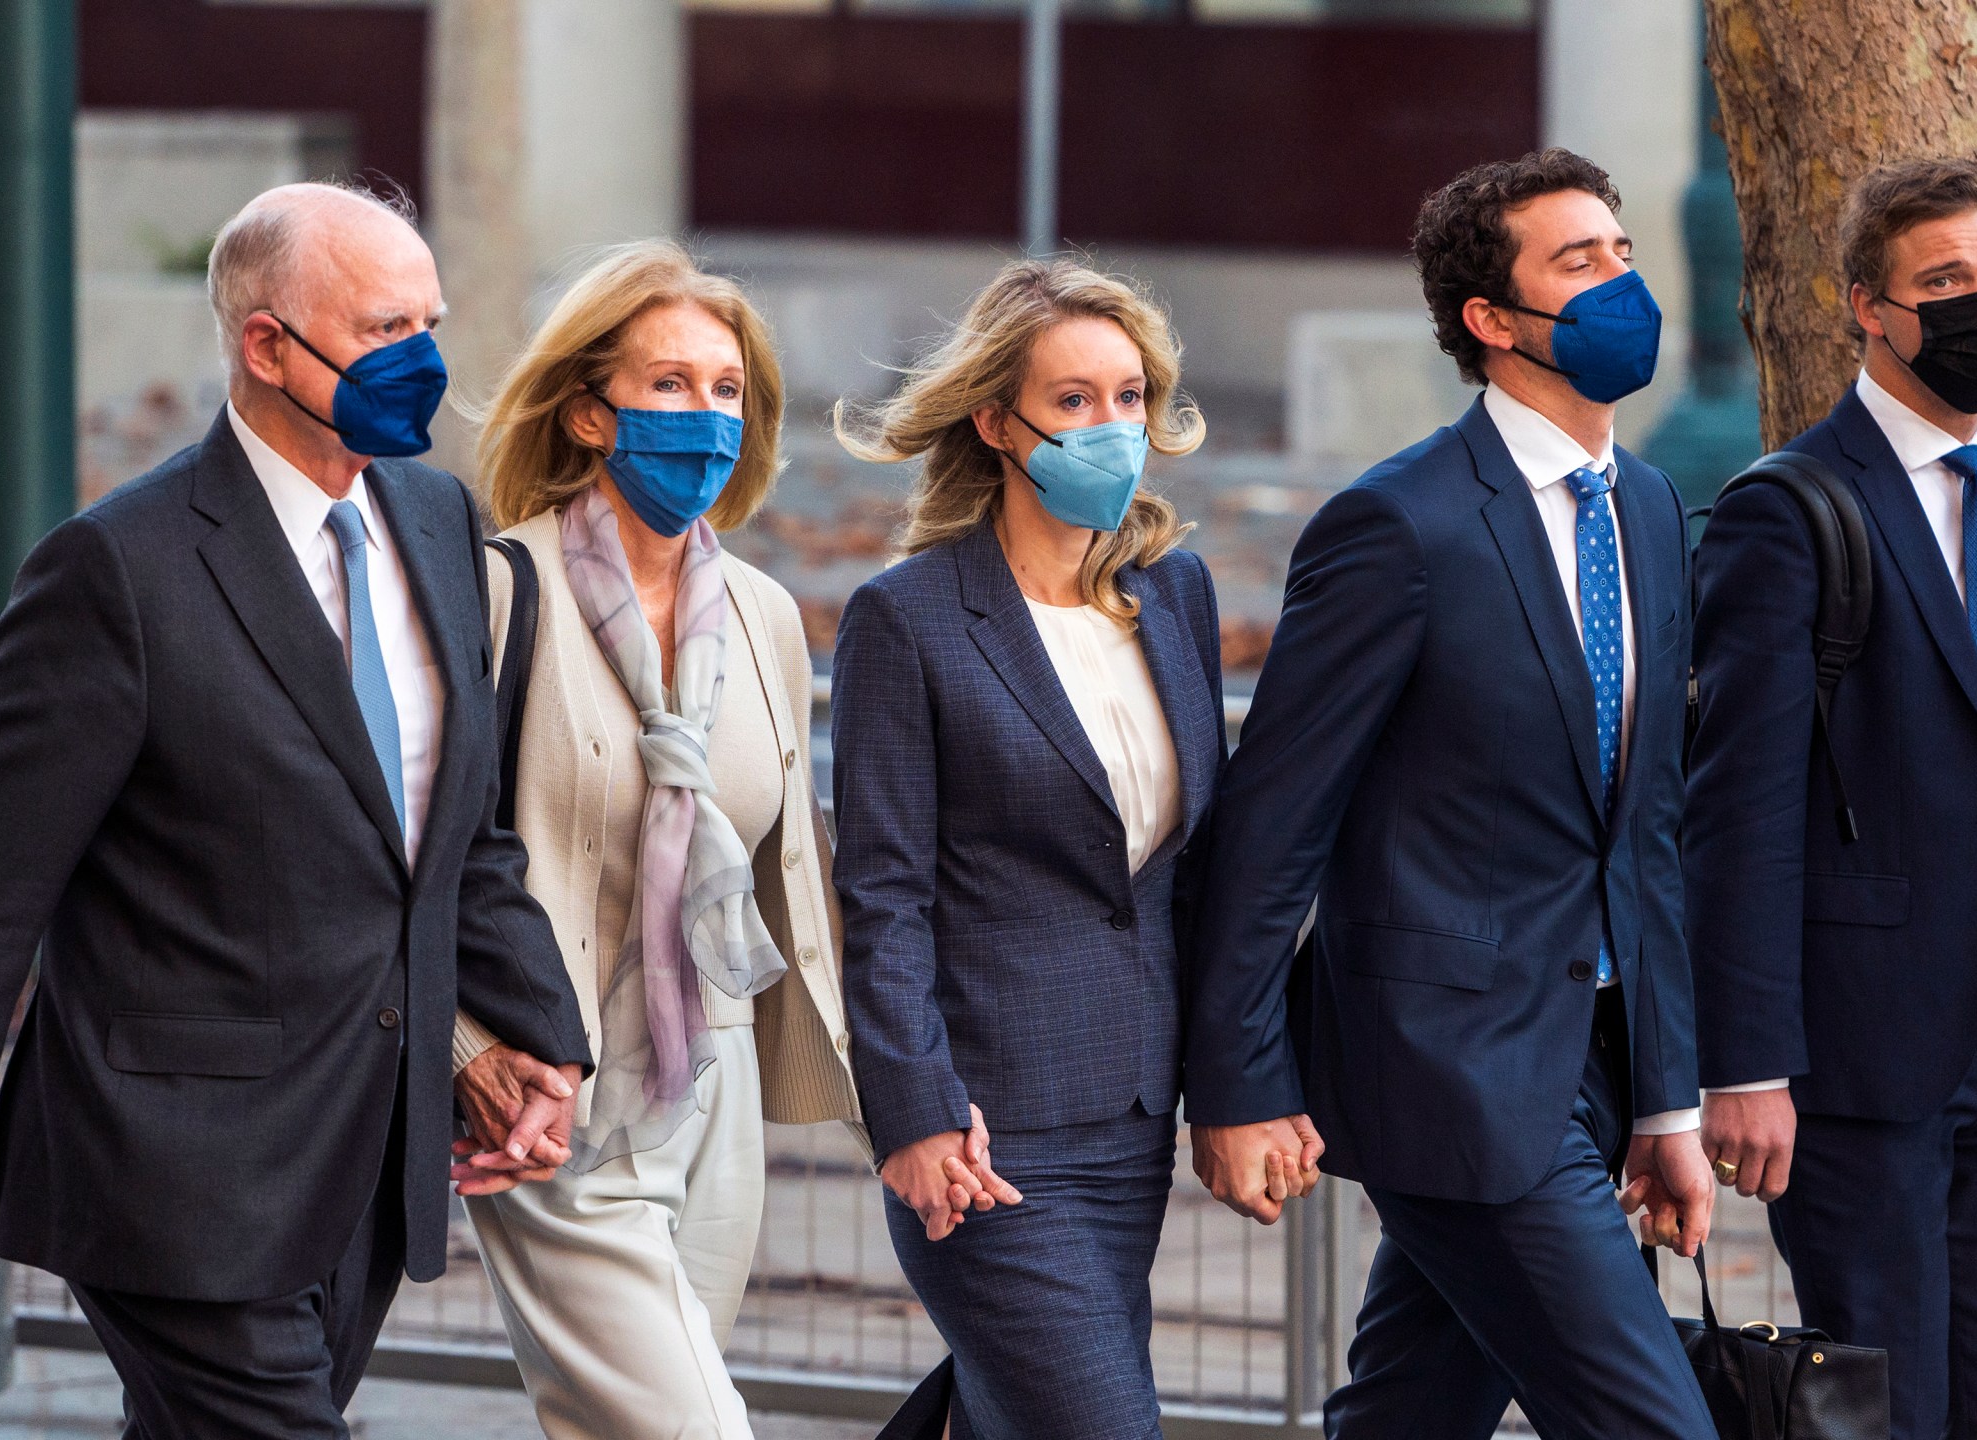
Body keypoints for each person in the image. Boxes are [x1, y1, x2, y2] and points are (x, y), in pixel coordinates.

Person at [0, 182, 592, 1434]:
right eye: (385, 328)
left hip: (366, 1156)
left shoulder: (443, 523)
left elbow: (464, 833)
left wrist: (538, 1035)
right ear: (267, 345)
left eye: (431, 322)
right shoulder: (116, 570)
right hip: (169, 1169)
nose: (424, 361)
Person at [1182, 149, 1717, 1439]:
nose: (1620, 285)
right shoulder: (1396, 526)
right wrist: (1240, 1082)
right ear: (1490, 320)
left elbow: (1641, 827)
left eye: (1623, 254)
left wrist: (1666, 1099)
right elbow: (1274, 826)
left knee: (1410, 1415)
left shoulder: (1644, 505)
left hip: (1590, 1065)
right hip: (1450, 1068)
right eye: (1577, 263)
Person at [1685, 155, 1977, 1440]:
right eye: (1942, 281)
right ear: (1866, 307)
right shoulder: (1791, 513)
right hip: (1851, 1054)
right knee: (1887, 1415)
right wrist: (1746, 1062)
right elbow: (1737, 810)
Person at [452, 239, 861, 1440]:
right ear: (588, 410)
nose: (705, 417)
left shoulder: (766, 615)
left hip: (717, 1081)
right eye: (669, 385)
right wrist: (473, 1049)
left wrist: (902, 1102)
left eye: (726, 390)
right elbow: (420, 850)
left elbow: (797, 878)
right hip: (554, 1084)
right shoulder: (496, 589)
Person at [831, 259, 1245, 1439]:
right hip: (982, 1133)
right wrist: (908, 1108)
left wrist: (1235, 1077)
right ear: (995, 421)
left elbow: (1185, 876)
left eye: (1128, 398)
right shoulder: (906, 619)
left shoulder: (1173, 599)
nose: (1110, 427)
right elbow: (882, 896)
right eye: (1072, 402)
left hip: (1127, 1115)